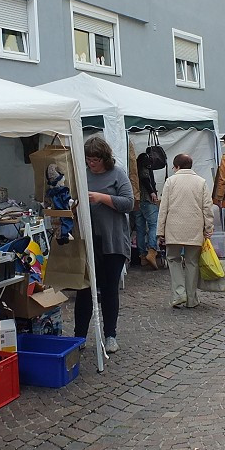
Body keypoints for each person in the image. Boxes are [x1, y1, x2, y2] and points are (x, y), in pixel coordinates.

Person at [74, 136, 134, 354]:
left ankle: (110, 335)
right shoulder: (83, 175)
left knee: (109, 290)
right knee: (84, 290)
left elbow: (129, 203)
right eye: (88, 159)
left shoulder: (117, 174)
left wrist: (102, 198)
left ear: (104, 158)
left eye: (95, 159)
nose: (91, 163)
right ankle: (79, 336)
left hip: (113, 241)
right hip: (89, 240)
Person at [156, 153, 214, 309]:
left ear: (177, 166)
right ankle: (191, 298)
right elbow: (207, 208)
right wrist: (208, 228)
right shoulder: (201, 182)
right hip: (194, 229)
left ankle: (178, 294)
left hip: (173, 229)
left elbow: (164, 208)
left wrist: (160, 231)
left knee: (173, 259)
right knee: (192, 262)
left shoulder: (170, 181)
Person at [134, 151, 161, 268]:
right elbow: (145, 177)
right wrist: (152, 192)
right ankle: (152, 251)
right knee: (153, 225)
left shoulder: (134, 169)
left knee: (140, 229)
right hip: (146, 199)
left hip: (137, 201)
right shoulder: (145, 166)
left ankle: (142, 256)